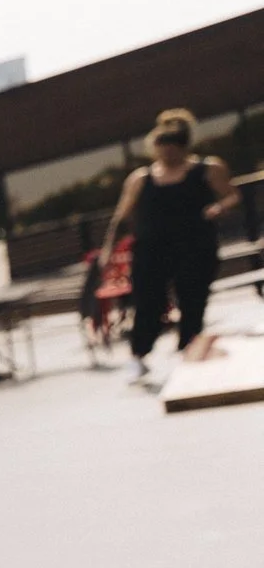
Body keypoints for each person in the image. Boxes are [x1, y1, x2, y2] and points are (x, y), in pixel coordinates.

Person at [100, 107, 241, 385]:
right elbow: (122, 214)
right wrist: (108, 250)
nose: (167, 155)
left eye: (172, 149)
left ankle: (186, 349)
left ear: (183, 147)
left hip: (195, 245)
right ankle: (139, 353)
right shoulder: (142, 178)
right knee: (148, 300)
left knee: (193, 297)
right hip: (153, 249)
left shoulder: (207, 169)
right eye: (162, 149)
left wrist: (217, 208)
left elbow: (232, 195)